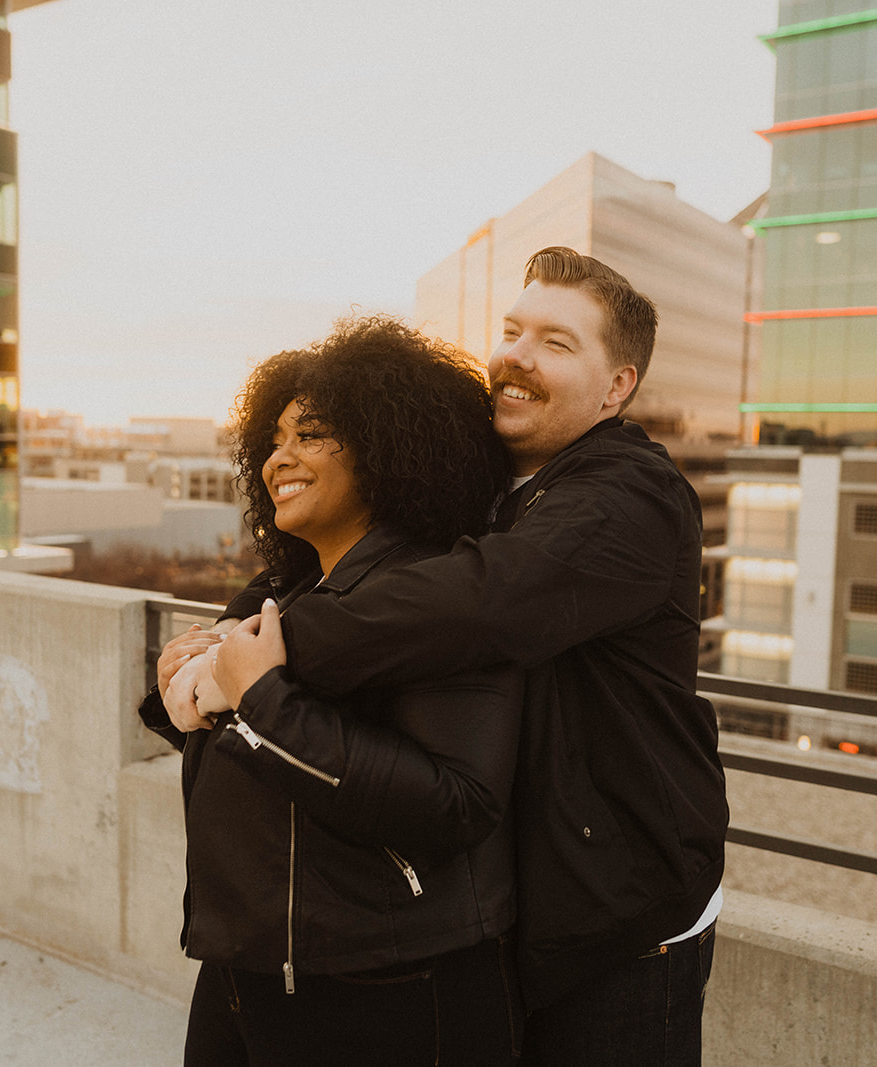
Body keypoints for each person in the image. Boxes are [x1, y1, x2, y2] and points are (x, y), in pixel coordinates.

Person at [194, 247, 729, 1065]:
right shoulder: (498, 481)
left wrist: (269, 655)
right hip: (534, 896)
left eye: (556, 342)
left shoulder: (630, 497)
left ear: (617, 386)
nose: (516, 355)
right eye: (513, 330)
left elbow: (483, 598)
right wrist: (227, 632)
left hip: (624, 915)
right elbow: (344, 553)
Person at [138, 316, 523, 1066]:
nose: (281, 456)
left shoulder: (437, 597)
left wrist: (259, 700)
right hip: (245, 961)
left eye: (311, 434)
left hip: (389, 983)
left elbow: (456, 802)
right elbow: (258, 743)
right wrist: (181, 690)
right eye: (274, 439)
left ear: (387, 448)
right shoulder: (284, 586)